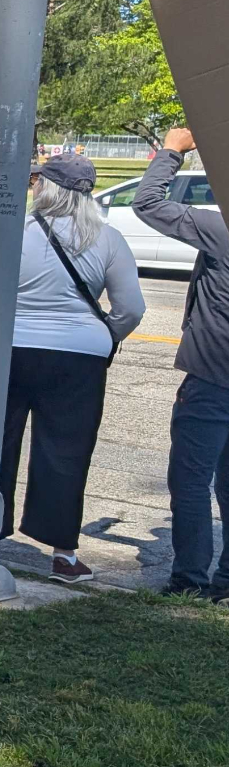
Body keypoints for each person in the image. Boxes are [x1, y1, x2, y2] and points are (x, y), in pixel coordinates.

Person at [0, 151, 144, 583]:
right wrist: (107, 334)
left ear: (45, 186)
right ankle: (63, 552)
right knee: (66, 451)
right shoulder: (108, 238)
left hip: (11, 349)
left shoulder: (14, 232)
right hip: (79, 358)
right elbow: (131, 307)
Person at [136, 126, 229, 599]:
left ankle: (189, 579)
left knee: (191, 481)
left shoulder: (220, 229)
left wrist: (171, 152)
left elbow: (147, 203)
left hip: (213, 376)